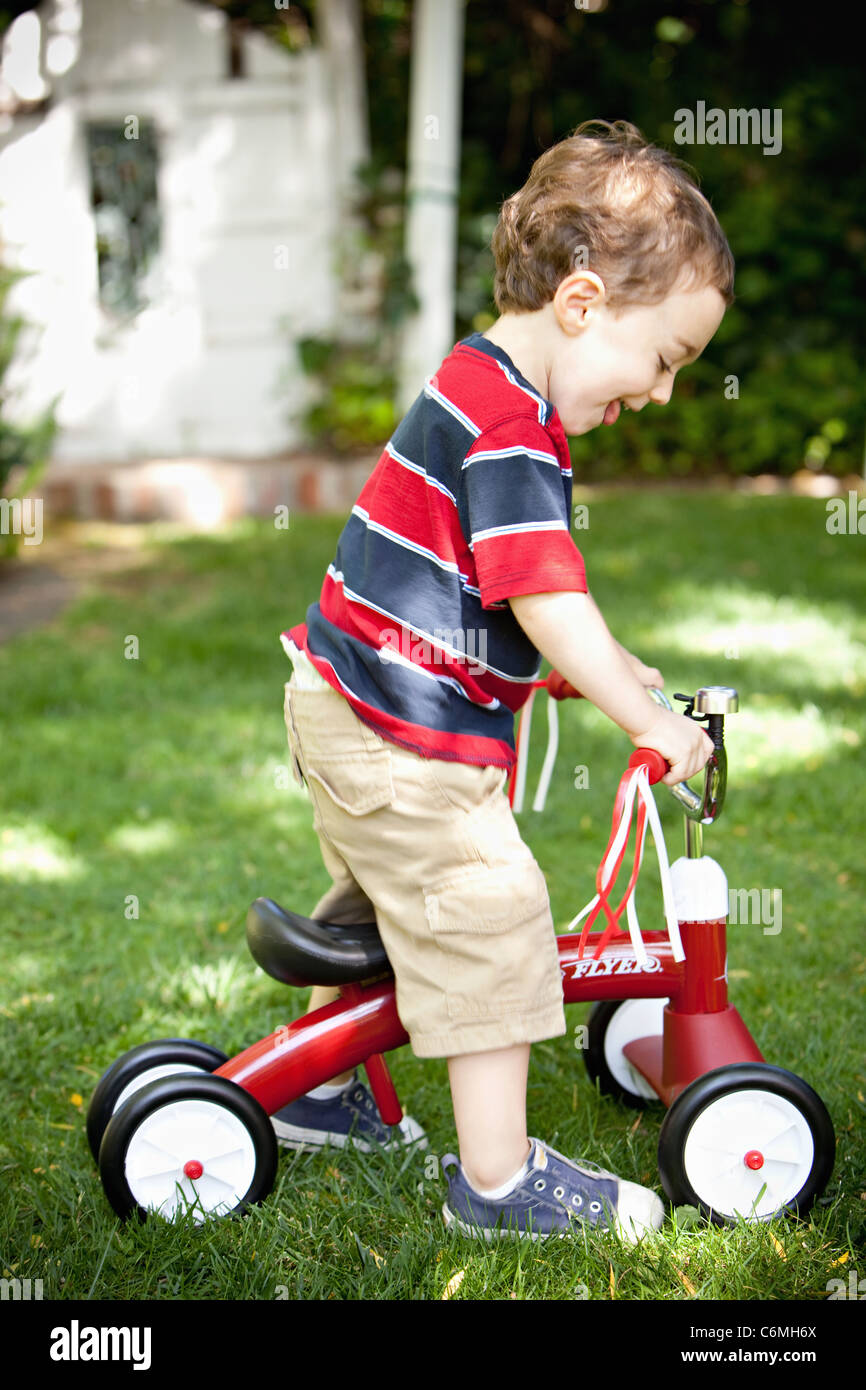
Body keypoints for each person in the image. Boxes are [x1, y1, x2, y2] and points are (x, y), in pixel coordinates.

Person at [273, 119, 731, 1242]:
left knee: (398, 906)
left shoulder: (474, 381)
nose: (665, 395)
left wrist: (614, 673)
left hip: (348, 705)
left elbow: (485, 593)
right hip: (395, 735)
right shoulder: (512, 430)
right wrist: (646, 717)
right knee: (489, 911)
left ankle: (320, 1088)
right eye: (664, 359)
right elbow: (542, 597)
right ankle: (496, 1179)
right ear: (580, 305)